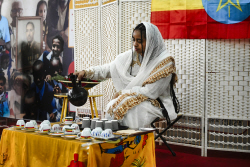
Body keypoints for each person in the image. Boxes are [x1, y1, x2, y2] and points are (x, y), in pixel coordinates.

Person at [74, 22, 179, 128]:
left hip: (157, 103)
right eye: (134, 40)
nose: (135, 44)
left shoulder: (165, 63)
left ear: (151, 42)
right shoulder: (132, 56)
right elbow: (109, 69)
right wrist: (86, 72)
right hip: (134, 97)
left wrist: (123, 93)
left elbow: (151, 92)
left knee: (133, 110)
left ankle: (134, 142)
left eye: (139, 41)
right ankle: (116, 139)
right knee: (113, 104)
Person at [47, 0, 73, 76]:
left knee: (69, 44)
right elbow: (49, 29)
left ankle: (65, 75)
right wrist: (61, 33)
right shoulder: (52, 5)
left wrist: (66, 34)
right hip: (53, 37)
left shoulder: (72, 5)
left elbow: (74, 24)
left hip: (66, 38)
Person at [9, 0, 23, 68]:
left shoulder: (27, 30)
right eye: (14, 11)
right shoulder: (6, 30)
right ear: (11, 14)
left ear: (22, 12)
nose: (17, 14)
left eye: (19, 10)